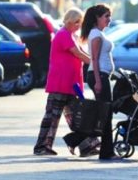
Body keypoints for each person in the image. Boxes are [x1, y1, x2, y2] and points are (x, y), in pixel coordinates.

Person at [33, 8, 95, 156]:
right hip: (60, 83)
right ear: (68, 21)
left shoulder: (72, 36)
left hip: (72, 84)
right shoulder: (63, 35)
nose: (79, 25)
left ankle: (87, 146)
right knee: (52, 117)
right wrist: (96, 64)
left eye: (80, 22)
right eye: (76, 22)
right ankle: (42, 146)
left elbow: (82, 53)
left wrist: (94, 61)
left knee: (77, 117)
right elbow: (78, 53)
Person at [81, 3, 117, 160]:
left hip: (103, 75)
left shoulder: (98, 34)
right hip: (99, 76)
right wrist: (98, 81)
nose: (109, 19)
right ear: (97, 18)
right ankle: (106, 152)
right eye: (106, 16)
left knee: (105, 113)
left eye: (110, 16)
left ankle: (105, 150)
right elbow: (94, 59)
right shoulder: (96, 35)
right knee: (106, 114)